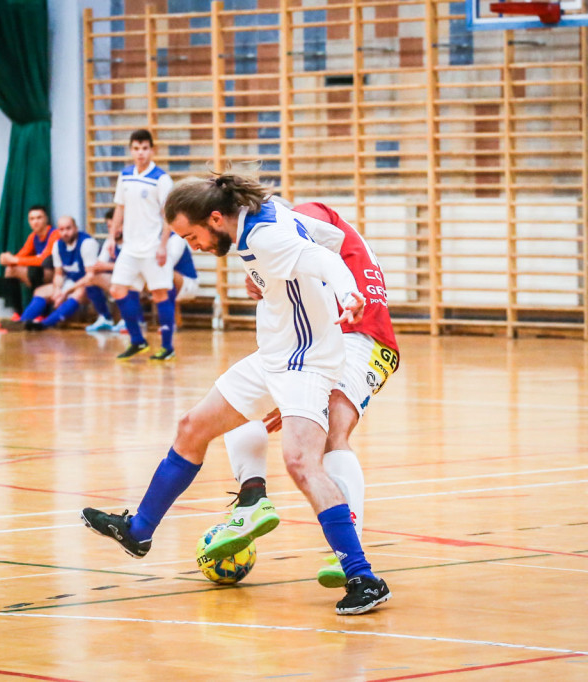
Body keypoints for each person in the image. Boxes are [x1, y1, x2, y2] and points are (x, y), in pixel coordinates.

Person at [82, 174, 390, 615]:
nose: (194, 246)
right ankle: (140, 530)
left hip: (305, 359)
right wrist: (273, 283)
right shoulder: (263, 214)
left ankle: (362, 576)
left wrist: (347, 293)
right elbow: (330, 235)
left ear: (215, 218)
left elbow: (323, 257)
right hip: (274, 355)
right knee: (192, 427)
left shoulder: (264, 235)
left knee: (302, 462)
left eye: (192, 236)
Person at [220, 201, 400, 590]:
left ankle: (350, 551)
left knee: (333, 431)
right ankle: (252, 499)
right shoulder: (282, 236)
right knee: (237, 405)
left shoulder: (302, 217)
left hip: (361, 338)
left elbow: (308, 249)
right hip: (314, 340)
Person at [108, 129, 177, 361]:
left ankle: (167, 347)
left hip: (152, 246)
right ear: (131, 150)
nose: (140, 153)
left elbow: (168, 214)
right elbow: (120, 207)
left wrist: (163, 245)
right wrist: (110, 237)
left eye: (145, 148)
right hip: (129, 247)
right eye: (136, 148)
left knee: (159, 294)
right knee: (117, 289)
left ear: (152, 149)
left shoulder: (161, 179)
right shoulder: (125, 175)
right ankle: (138, 341)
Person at [17, 216, 114, 330]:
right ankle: (22, 322)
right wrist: (58, 289)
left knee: (79, 292)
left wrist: (66, 292)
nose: (65, 233)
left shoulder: (86, 243)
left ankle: (45, 324)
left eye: (68, 229)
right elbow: (58, 274)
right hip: (70, 282)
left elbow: (90, 276)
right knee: (40, 291)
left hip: (88, 285)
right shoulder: (58, 245)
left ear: (76, 228)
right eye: (61, 230)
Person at [0, 205, 60, 308]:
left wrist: (14, 259)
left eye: (39, 218)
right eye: (32, 219)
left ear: (46, 219)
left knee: (34, 271)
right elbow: (20, 256)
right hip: (40, 274)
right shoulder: (33, 237)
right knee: (10, 270)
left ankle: (41, 311)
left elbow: (43, 260)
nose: (35, 222)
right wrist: (7, 259)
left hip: (56, 273)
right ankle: (18, 312)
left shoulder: (55, 234)